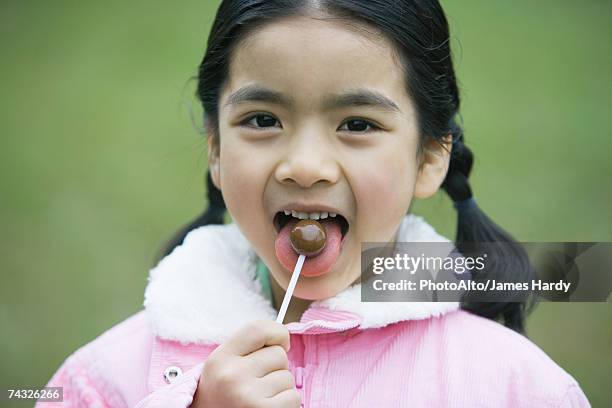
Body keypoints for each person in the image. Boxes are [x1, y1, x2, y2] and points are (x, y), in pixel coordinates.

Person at [37, 1, 591, 406]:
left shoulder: (517, 388)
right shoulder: (103, 380)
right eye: (262, 120)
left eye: (357, 124)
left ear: (429, 157)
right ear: (215, 146)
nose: (305, 165)